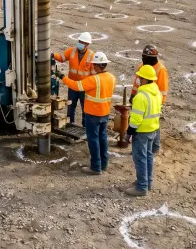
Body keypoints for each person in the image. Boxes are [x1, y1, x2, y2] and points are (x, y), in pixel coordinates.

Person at [60, 51, 115, 175]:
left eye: (93, 65)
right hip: (105, 113)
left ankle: (95, 167)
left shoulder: (93, 80)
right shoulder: (112, 78)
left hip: (93, 115)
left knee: (93, 139)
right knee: (103, 137)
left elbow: (75, 86)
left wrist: (62, 77)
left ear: (96, 65)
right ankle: (104, 163)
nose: (92, 67)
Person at [123, 64, 162, 197]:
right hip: (153, 130)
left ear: (145, 80)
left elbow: (136, 119)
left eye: (140, 78)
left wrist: (128, 134)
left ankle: (141, 187)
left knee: (140, 158)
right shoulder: (157, 93)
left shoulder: (141, 96)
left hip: (142, 132)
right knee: (148, 156)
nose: (138, 80)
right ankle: (147, 182)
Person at [53, 32, 95, 125]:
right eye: (80, 41)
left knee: (85, 108)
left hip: (84, 87)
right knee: (71, 106)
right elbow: (61, 58)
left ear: (87, 44)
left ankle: (85, 126)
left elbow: (93, 75)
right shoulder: (71, 51)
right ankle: (70, 123)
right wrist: (53, 55)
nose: (81, 43)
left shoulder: (91, 56)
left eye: (83, 42)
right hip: (72, 85)